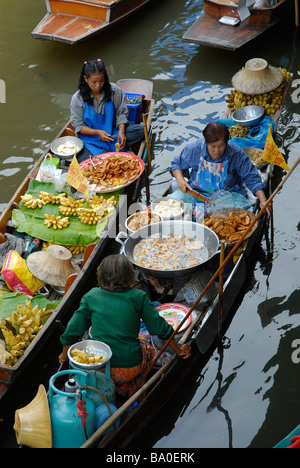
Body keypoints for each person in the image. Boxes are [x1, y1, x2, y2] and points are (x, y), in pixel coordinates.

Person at [58, 254, 191, 398]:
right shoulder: (138, 296)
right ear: (129, 276)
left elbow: (72, 331)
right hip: (128, 370)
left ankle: (121, 388)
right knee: (147, 348)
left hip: (97, 366)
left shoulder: (91, 296)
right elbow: (161, 330)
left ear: (101, 276)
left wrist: (64, 356)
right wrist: (179, 350)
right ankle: (134, 385)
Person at [170, 121, 271, 216]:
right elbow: (176, 164)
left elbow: (251, 176)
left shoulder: (236, 153)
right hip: (196, 192)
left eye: (221, 146)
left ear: (227, 142)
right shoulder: (194, 149)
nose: (217, 151)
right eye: (212, 146)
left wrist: (262, 200)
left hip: (226, 196)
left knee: (240, 214)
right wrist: (180, 180)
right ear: (206, 142)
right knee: (173, 204)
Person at [70, 58, 145, 163]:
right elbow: (78, 125)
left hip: (113, 133)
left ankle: (107, 152)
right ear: (86, 79)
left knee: (141, 131)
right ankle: (110, 152)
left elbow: (121, 112)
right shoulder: (77, 98)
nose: (98, 86)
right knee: (81, 160)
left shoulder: (114, 90)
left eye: (101, 81)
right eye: (94, 82)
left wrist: (122, 132)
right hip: (91, 139)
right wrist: (97, 132)